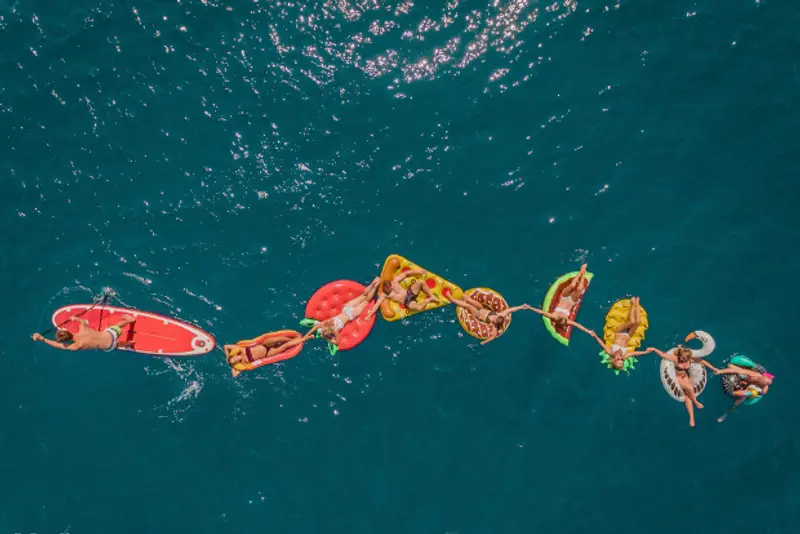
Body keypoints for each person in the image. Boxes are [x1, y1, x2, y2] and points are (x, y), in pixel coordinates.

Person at [647, 346, 719, 428]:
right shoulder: (675, 359)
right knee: (690, 388)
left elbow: (702, 362)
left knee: (687, 397)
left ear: (687, 358)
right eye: (681, 357)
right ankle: (695, 402)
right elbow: (663, 355)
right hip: (677, 377)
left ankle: (691, 418)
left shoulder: (690, 360)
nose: (681, 358)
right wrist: (654, 349)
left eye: (684, 358)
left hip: (684, 376)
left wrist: (714, 369)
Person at [307, 277, 380, 345]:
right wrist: (307, 335)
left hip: (351, 314)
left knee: (366, 301)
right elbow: (315, 327)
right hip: (346, 308)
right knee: (363, 296)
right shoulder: (328, 322)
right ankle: (373, 282)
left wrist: (328, 339)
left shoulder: (335, 331)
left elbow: (337, 342)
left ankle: (376, 286)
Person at [584, 297, 649, 371]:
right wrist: (645, 352)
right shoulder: (624, 356)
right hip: (628, 335)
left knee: (632, 322)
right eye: (622, 360)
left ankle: (632, 303)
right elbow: (634, 353)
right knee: (638, 322)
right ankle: (637, 304)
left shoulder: (610, 351)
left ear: (614, 360)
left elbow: (601, 343)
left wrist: (595, 335)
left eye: (618, 360)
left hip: (619, 332)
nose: (620, 358)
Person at [446, 294, 530, 345]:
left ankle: (451, 298)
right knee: (469, 299)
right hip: (481, 308)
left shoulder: (494, 326)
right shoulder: (500, 314)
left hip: (477, 314)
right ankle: (459, 296)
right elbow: (511, 310)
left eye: (495, 320)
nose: (495, 318)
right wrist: (521, 307)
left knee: (468, 306)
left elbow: (492, 337)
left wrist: (483, 343)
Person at [32, 314, 136, 352]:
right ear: (67, 331)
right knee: (117, 326)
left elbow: (59, 346)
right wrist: (75, 318)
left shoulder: (77, 346)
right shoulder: (83, 329)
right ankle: (129, 320)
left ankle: (130, 343)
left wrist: (42, 339)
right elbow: (83, 321)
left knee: (118, 345)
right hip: (111, 334)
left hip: (109, 346)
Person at [224, 333, 313, 377]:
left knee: (277, 339)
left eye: (234, 358)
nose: (236, 359)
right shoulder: (244, 363)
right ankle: (305, 338)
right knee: (285, 346)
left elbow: (225, 346)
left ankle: (292, 339)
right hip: (268, 353)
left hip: (264, 345)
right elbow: (234, 375)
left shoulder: (239, 348)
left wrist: (227, 356)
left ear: (233, 355)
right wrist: (233, 365)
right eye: (235, 361)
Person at [531, 264, 590, 328]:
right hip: (572, 301)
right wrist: (589, 331)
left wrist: (530, 307)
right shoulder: (567, 321)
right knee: (579, 289)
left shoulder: (554, 316)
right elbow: (578, 325)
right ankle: (583, 273)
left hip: (564, 297)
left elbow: (541, 312)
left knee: (572, 285)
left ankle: (581, 270)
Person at [366, 269, 439, 319]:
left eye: (390, 289)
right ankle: (428, 300)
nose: (389, 291)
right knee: (419, 308)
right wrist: (369, 315)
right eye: (387, 291)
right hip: (407, 302)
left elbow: (406, 273)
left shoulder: (395, 281)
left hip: (410, 292)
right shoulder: (384, 294)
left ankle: (431, 295)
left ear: (391, 285)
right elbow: (377, 305)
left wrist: (418, 272)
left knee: (421, 282)